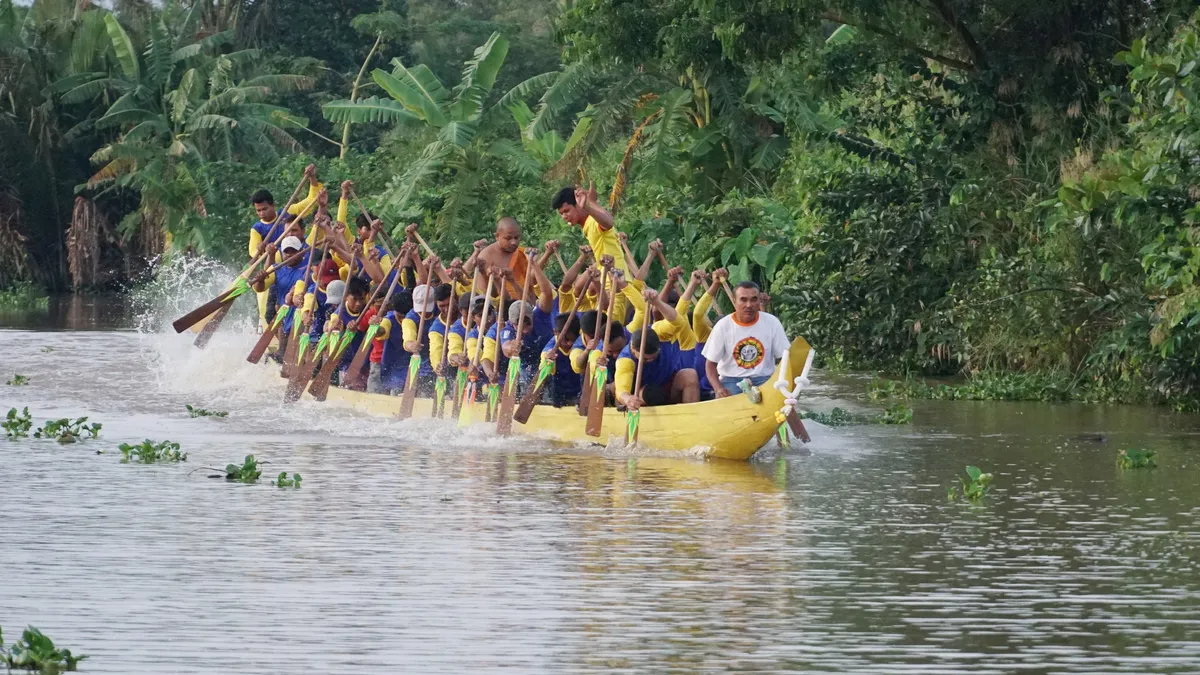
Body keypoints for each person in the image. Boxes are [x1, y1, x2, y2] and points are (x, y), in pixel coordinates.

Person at [614, 288, 699, 411]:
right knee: (650, 393)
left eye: (654, 356)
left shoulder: (657, 331)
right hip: (642, 394)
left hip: (667, 385)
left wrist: (657, 302)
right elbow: (622, 391)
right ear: (633, 349)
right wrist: (629, 400)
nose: (651, 360)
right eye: (646, 359)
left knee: (690, 375)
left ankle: (691, 417)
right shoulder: (625, 361)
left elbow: (678, 322)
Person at [702, 280, 790, 398]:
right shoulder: (722, 326)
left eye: (754, 299)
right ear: (734, 301)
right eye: (743, 300)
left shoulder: (772, 322)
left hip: (764, 378)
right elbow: (710, 364)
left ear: (759, 301)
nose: (749, 305)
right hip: (731, 380)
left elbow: (786, 358)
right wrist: (718, 389)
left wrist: (782, 383)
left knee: (786, 403)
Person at [552, 184, 628, 319]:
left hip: (614, 285)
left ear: (578, 205)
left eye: (567, 210)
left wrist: (588, 205)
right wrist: (593, 202)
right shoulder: (587, 224)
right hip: (613, 283)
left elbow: (609, 222)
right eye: (561, 213)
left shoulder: (592, 222)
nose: (564, 216)